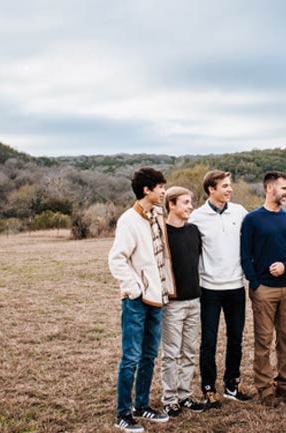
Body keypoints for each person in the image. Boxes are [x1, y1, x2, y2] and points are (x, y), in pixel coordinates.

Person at [108, 167, 174, 432]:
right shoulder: (128, 220)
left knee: (149, 355)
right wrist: (135, 288)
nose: (163, 191)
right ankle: (123, 414)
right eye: (160, 187)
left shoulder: (156, 215)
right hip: (136, 300)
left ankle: (142, 405)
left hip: (157, 299)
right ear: (147, 189)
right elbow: (116, 259)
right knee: (131, 357)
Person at [240, 171, 286, 404]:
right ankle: (265, 389)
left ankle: (285, 386)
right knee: (263, 341)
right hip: (263, 290)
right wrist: (255, 283)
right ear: (270, 188)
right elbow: (245, 255)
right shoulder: (252, 219)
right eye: (284, 188)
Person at [188, 170, 252, 409]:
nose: (229, 189)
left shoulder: (240, 212)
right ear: (211, 190)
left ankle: (232, 385)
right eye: (224, 186)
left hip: (236, 286)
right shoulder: (197, 217)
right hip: (209, 289)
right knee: (209, 341)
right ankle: (208, 389)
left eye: (229, 185)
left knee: (236, 339)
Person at [159, 187, 206, 417]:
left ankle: (184, 395)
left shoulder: (194, 231)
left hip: (194, 300)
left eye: (191, 202)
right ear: (171, 205)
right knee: (171, 353)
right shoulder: (161, 233)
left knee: (189, 351)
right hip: (173, 304)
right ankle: (169, 399)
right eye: (185, 203)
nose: (190, 206)